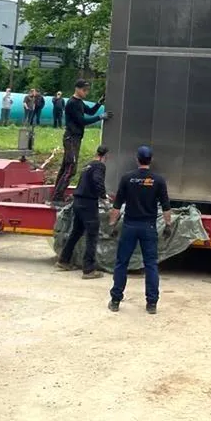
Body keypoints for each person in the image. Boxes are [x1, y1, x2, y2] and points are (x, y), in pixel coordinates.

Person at [108, 145, 172, 315]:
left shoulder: (127, 178)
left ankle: (115, 300)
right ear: (151, 160)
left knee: (122, 263)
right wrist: (168, 225)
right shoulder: (158, 181)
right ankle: (151, 303)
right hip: (148, 227)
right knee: (150, 264)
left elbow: (117, 205)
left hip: (129, 226)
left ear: (137, 159)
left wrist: (112, 224)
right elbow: (166, 206)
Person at [55, 145, 110, 279]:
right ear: (105, 156)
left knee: (76, 232)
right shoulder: (99, 166)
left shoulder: (88, 165)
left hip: (78, 202)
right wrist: (104, 197)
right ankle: (89, 269)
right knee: (92, 235)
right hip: (88, 204)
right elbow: (98, 181)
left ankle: (64, 260)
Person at [51, 79, 108, 203]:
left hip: (75, 138)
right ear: (77, 89)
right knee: (71, 167)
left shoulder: (80, 102)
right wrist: (100, 117)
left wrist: (100, 101)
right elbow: (82, 121)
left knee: (66, 167)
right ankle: (57, 196)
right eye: (84, 90)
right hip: (71, 138)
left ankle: (57, 193)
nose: (86, 93)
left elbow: (90, 111)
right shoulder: (72, 103)